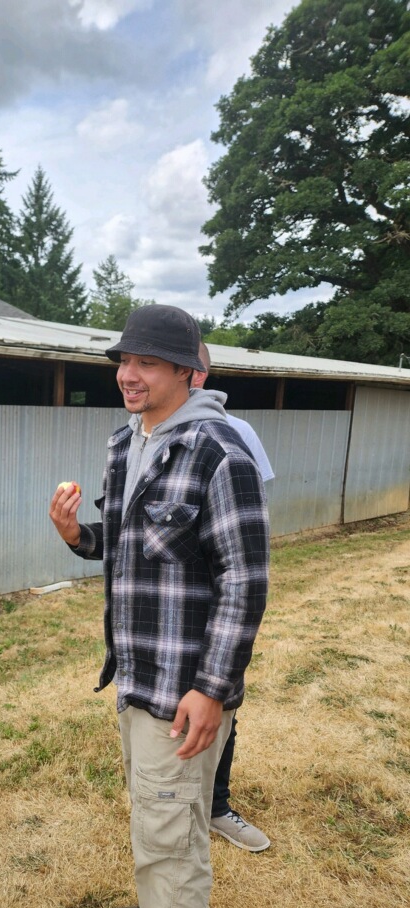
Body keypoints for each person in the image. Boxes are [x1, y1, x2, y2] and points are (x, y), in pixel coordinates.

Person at [49, 305, 269, 908]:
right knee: (165, 825)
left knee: (168, 838)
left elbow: (244, 580)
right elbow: (120, 536)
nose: (127, 375)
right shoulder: (127, 442)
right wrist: (75, 531)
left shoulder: (220, 451)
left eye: (145, 363)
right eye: (123, 361)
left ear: (185, 371)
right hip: (138, 678)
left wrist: (212, 689)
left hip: (184, 690)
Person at [191, 341, 273, 854]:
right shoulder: (141, 431)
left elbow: (252, 514)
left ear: (196, 373)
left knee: (221, 699)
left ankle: (216, 805)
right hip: (166, 605)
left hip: (214, 595)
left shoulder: (235, 433)